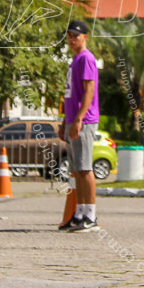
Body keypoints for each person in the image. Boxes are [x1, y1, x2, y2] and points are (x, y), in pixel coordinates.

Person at [58, 19, 100, 232]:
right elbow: (69, 94)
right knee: (76, 169)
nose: (72, 39)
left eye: (76, 35)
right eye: (70, 35)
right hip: (72, 120)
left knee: (85, 168)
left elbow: (89, 90)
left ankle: (90, 215)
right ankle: (80, 212)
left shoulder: (86, 58)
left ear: (85, 37)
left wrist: (78, 119)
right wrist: (65, 120)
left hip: (84, 121)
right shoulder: (74, 60)